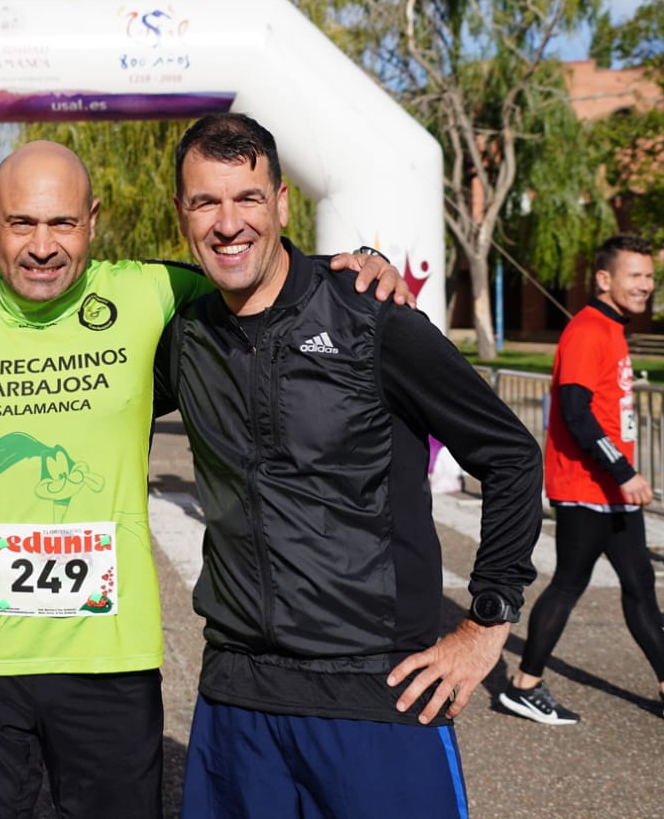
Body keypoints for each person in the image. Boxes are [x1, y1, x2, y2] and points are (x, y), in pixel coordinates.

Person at [0, 140, 410, 819]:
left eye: (62, 223)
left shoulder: (148, 292)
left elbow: (253, 266)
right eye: (21, 223)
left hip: (110, 654)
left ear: (93, 219)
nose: (43, 244)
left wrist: (351, 267)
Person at [153, 113, 543, 819]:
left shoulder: (371, 315)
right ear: (182, 214)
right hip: (237, 694)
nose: (227, 222)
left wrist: (486, 624)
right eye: (205, 201)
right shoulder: (184, 334)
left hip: (376, 693)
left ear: (281, 204)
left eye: (247, 198)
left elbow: (511, 455)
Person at [500, 233, 664, 726]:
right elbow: (575, 411)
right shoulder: (588, 330)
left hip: (611, 492)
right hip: (587, 488)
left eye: (650, 276)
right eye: (635, 275)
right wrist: (624, 470)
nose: (646, 285)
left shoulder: (612, 328)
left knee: (639, 585)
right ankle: (524, 685)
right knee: (569, 583)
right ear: (604, 279)